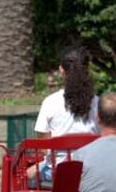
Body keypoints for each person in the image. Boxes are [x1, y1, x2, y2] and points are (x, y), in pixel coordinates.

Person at [30, 47, 98, 183]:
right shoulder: (98, 102)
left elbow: (43, 148)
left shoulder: (50, 102)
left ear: (61, 69)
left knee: (27, 176)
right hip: (92, 170)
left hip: (58, 172)